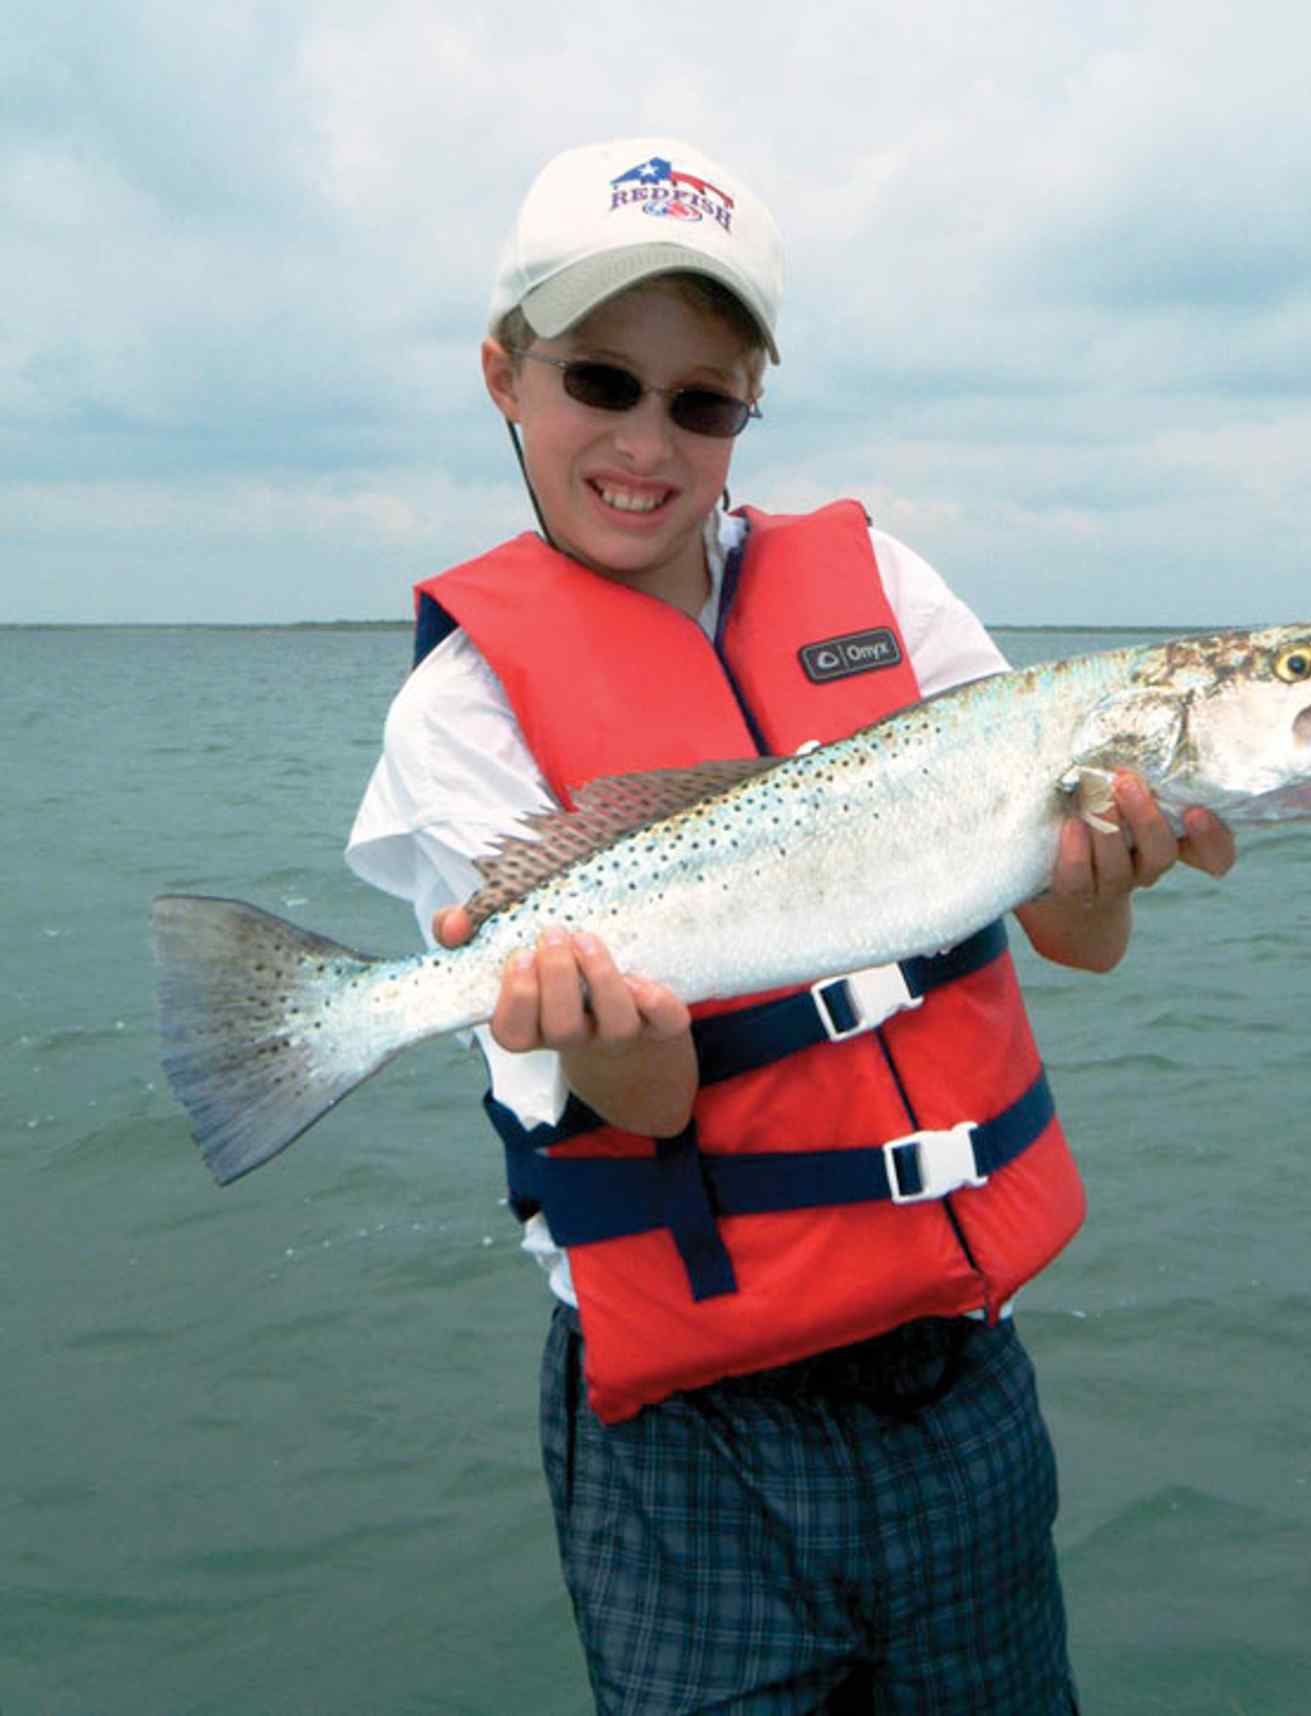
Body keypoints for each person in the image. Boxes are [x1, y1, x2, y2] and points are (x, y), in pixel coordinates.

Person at [347, 136, 1234, 1715]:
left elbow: (1075, 941)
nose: (646, 441)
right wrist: (608, 1039)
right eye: (600, 382)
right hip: (690, 1445)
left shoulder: (880, 583)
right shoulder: (459, 714)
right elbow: (642, 1109)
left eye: (701, 403)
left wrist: (1105, 878)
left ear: (751, 405)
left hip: (959, 1378)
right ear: (503, 376)